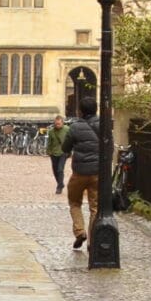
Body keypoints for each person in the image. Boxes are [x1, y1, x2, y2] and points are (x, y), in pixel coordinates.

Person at [63, 105, 103, 249]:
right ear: (95, 109)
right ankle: (92, 241)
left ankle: (80, 231)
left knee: (74, 202)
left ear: (80, 111)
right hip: (96, 172)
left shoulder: (74, 126)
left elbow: (65, 148)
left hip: (79, 172)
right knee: (95, 207)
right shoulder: (102, 125)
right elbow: (109, 146)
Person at [44, 114, 70, 193]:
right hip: (54, 153)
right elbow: (49, 142)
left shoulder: (67, 129)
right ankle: (60, 183)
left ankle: (59, 187)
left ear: (62, 123)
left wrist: (70, 150)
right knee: (55, 170)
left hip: (63, 152)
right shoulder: (52, 131)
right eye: (56, 124)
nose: (57, 125)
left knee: (60, 169)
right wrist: (48, 151)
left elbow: (71, 140)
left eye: (59, 124)